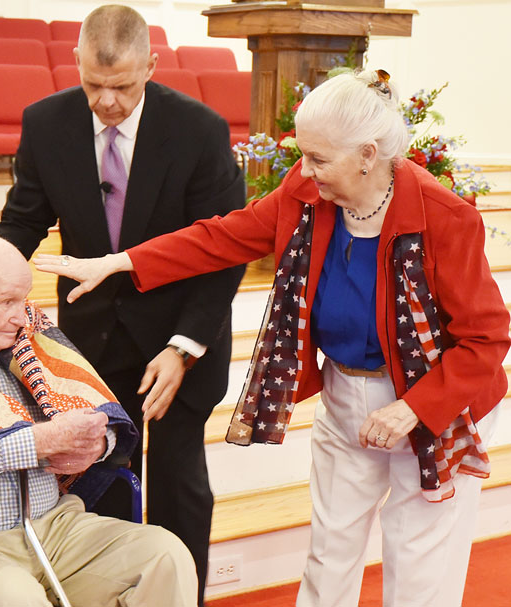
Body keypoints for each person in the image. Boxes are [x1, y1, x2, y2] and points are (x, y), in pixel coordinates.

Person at [37, 69, 510, 607]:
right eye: (302, 156)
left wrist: (413, 409)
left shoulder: (444, 217)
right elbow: (222, 236)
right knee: (331, 552)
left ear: (368, 154)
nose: (305, 171)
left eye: (319, 159)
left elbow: (487, 340)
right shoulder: (306, 193)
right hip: (349, 389)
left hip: (435, 399)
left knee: (418, 562)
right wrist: (119, 262)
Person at [0, 6, 245, 598]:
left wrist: (184, 348)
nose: (106, 101)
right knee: (99, 484)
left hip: (182, 335)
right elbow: (24, 221)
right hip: (91, 338)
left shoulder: (198, 130)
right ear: (77, 64)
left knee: (179, 485)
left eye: (123, 86)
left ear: (152, 67)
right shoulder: (46, 122)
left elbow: (225, 251)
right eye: (94, 85)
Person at [0, 232, 198, 607]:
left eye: (24, 300)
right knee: (15, 596)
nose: (22, 317)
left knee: (165, 554)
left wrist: (96, 445)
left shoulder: (30, 343)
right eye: (7, 302)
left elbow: (99, 415)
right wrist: (38, 442)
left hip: (54, 527)